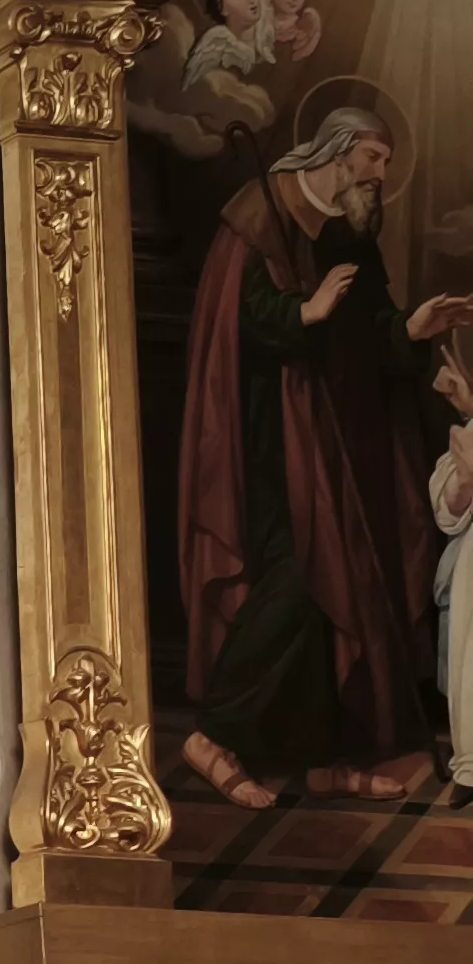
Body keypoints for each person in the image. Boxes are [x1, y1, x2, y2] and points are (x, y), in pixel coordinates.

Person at [175, 104, 473, 807]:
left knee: (336, 588)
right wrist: (300, 315)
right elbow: (238, 325)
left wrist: (408, 329)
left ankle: (318, 758)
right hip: (270, 439)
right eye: (373, 159)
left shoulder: (345, 234)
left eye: (386, 164)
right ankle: (213, 735)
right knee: (295, 580)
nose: (380, 176)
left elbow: (366, 335)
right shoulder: (259, 215)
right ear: (337, 152)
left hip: (336, 440)